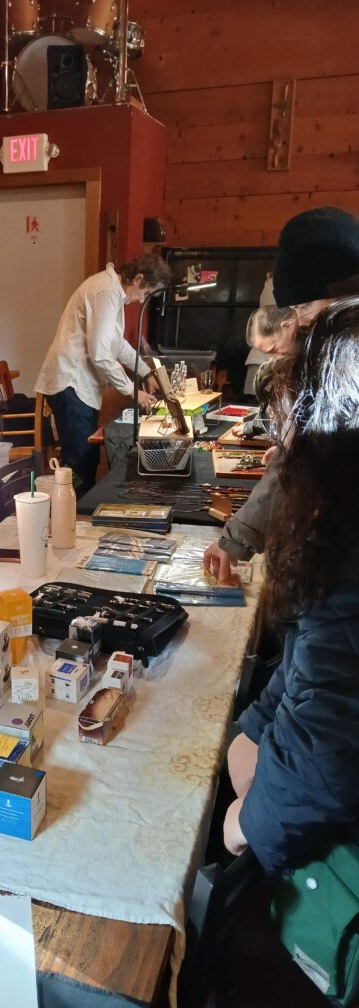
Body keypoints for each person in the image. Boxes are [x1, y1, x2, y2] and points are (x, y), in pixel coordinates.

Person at [223, 297, 359, 871]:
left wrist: (244, 823)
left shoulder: (346, 540)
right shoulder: (338, 515)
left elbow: (326, 752)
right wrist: (254, 730)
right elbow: (310, 664)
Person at [204, 206, 359, 583]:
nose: (299, 320)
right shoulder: (336, 348)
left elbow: (302, 464)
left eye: (304, 306)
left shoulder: (340, 361)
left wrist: (235, 538)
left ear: (340, 295)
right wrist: (296, 449)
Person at [35, 253, 172, 495]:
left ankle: (75, 508)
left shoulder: (112, 291)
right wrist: (132, 391)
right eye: (146, 292)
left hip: (79, 385)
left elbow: (117, 345)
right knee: (79, 461)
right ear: (138, 279)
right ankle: (71, 509)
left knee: (88, 458)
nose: (142, 300)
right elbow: (100, 353)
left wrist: (147, 372)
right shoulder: (106, 291)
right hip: (71, 382)